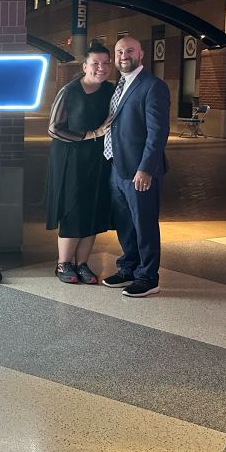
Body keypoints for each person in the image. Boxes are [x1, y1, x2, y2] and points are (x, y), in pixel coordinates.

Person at [101, 36, 170, 298]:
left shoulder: (153, 86)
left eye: (129, 50)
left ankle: (148, 277)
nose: (123, 55)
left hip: (139, 170)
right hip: (117, 166)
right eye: (119, 51)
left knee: (144, 223)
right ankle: (128, 267)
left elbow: (158, 132)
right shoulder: (119, 85)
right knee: (126, 223)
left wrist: (146, 169)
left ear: (141, 54)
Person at [45, 43, 114, 285]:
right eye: (95, 63)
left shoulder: (111, 90)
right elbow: (54, 129)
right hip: (70, 159)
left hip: (98, 159)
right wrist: (92, 134)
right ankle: (63, 264)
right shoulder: (70, 91)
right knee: (72, 208)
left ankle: (82, 264)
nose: (101, 68)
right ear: (85, 66)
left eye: (106, 63)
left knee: (92, 209)